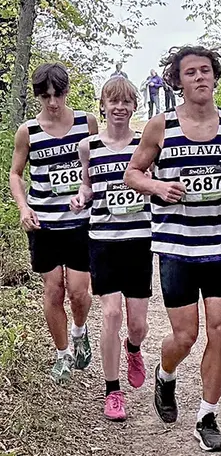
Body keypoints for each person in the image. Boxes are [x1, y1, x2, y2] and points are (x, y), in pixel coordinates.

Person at [125, 46, 221, 452]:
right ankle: (165, 374)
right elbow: (133, 173)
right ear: (177, 81)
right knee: (185, 336)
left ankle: (206, 416)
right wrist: (158, 187)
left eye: (205, 70)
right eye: (190, 72)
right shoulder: (161, 126)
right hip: (177, 246)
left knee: (219, 329)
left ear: (215, 76)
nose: (199, 77)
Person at [9, 62, 98, 384]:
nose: (53, 102)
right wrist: (23, 207)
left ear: (67, 91)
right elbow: (16, 173)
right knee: (53, 290)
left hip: (80, 221)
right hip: (43, 223)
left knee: (79, 292)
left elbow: (100, 162)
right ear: (38, 96)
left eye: (58, 95)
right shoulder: (28, 131)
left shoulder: (87, 122)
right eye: (45, 96)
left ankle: (79, 331)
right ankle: (62, 355)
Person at [70, 77, 152, 421]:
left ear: (134, 106)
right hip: (103, 240)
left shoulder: (146, 144)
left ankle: (133, 349)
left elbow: (154, 182)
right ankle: (112, 391)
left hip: (139, 239)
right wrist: (80, 197)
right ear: (102, 106)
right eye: (113, 101)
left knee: (138, 324)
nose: (119, 108)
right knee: (111, 314)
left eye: (126, 102)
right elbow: (87, 186)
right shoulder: (88, 146)